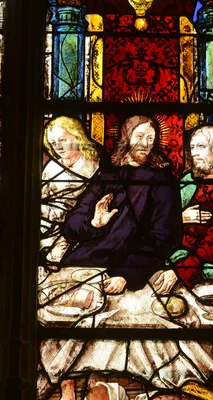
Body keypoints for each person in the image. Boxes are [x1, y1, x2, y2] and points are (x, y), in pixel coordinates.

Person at [61, 115, 181, 294]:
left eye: (150, 138)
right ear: (126, 137)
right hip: (86, 262)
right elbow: (71, 226)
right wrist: (93, 223)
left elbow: (162, 239)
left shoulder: (162, 180)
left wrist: (126, 273)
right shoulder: (108, 174)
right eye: (139, 136)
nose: (145, 144)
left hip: (128, 268)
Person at [161, 125, 213, 292]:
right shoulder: (188, 181)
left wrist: (179, 271)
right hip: (171, 257)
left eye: (201, 147)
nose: (194, 153)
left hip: (204, 268)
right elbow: (159, 218)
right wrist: (180, 219)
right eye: (192, 147)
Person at [40, 116, 99, 265]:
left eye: (63, 140)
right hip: (46, 225)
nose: (58, 147)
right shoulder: (52, 167)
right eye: (53, 143)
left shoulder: (95, 166)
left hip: (80, 228)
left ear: (77, 136)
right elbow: (41, 197)